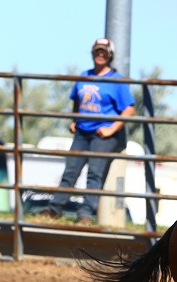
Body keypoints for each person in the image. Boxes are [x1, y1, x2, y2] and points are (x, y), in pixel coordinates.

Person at [39, 38, 135, 225]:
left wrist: (111, 129)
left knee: (94, 174)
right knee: (70, 171)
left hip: (102, 134)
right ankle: (54, 208)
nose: (100, 55)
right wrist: (74, 120)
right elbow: (77, 100)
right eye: (97, 51)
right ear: (92, 54)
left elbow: (129, 108)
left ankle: (85, 213)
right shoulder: (84, 76)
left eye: (104, 52)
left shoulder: (117, 80)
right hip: (82, 131)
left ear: (110, 56)